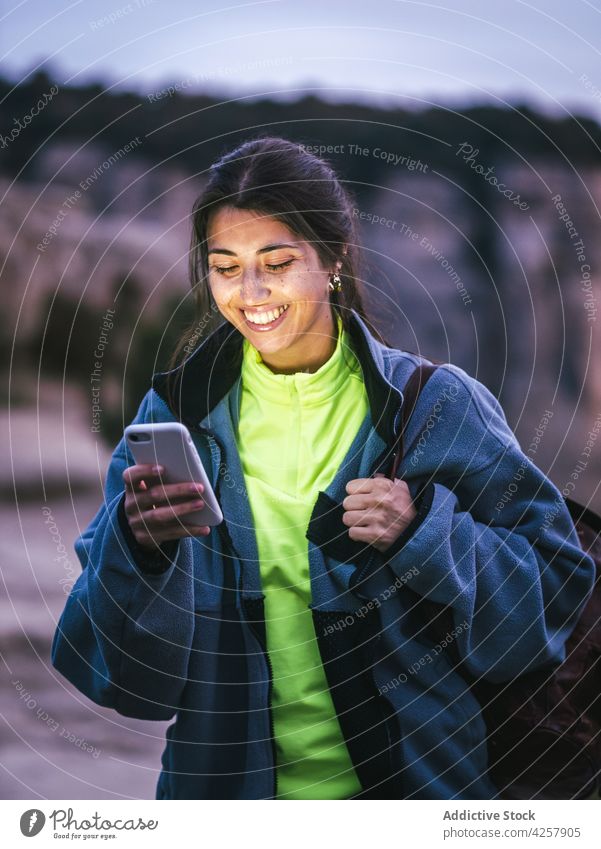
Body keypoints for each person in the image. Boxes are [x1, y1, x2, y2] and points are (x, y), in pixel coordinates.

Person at [51, 135, 596, 800]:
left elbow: (556, 588)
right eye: (225, 267)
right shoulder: (177, 414)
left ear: (332, 258)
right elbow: (112, 672)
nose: (250, 292)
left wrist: (424, 531)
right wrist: (137, 545)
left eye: (275, 262)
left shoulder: (432, 404)